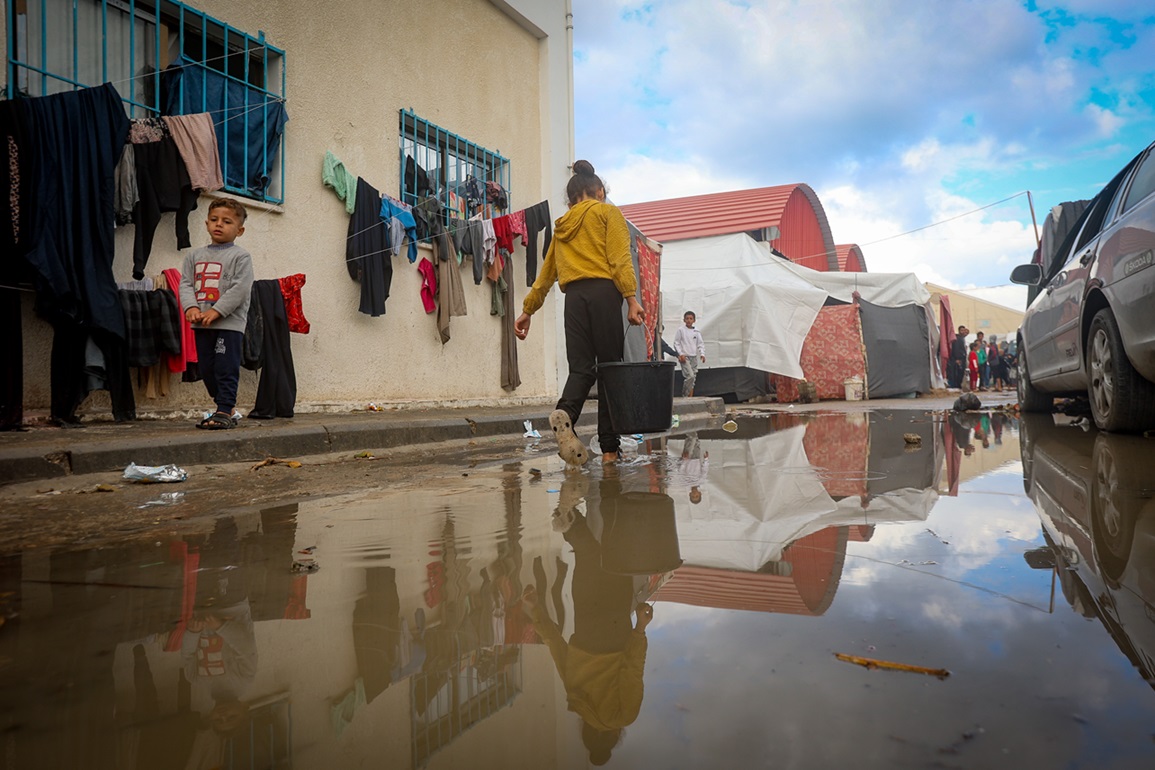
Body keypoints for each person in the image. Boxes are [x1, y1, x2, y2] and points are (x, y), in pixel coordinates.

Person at [514, 161, 644, 465]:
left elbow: (546, 274)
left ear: (571, 199)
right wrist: (631, 298)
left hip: (574, 299)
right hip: (603, 293)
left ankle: (567, 414)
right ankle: (610, 450)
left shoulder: (562, 226)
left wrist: (527, 310)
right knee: (610, 369)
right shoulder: (607, 212)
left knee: (581, 369)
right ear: (599, 191)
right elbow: (619, 259)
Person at [179, 199, 254, 430]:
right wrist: (191, 308)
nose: (218, 225)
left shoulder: (240, 257)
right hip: (201, 323)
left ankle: (223, 409)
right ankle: (226, 408)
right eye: (214, 220)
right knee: (206, 368)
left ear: (239, 230)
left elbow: (240, 288)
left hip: (229, 323)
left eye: (227, 221)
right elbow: (186, 284)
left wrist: (217, 310)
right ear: (206, 223)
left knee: (225, 366)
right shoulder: (194, 256)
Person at [673, 310, 706, 397]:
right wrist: (680, 354)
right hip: (685, 357)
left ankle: (690, 398)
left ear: (694, 320)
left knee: (693, 379)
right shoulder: (681, 330)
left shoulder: (696, 331)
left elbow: (700, 343)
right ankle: (684, 394)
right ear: (684, 320)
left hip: (693, 357)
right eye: (687, 318)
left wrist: (702, 354)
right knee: (690, 376)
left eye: (691, 318)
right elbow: (676, 343)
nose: (689, 320)